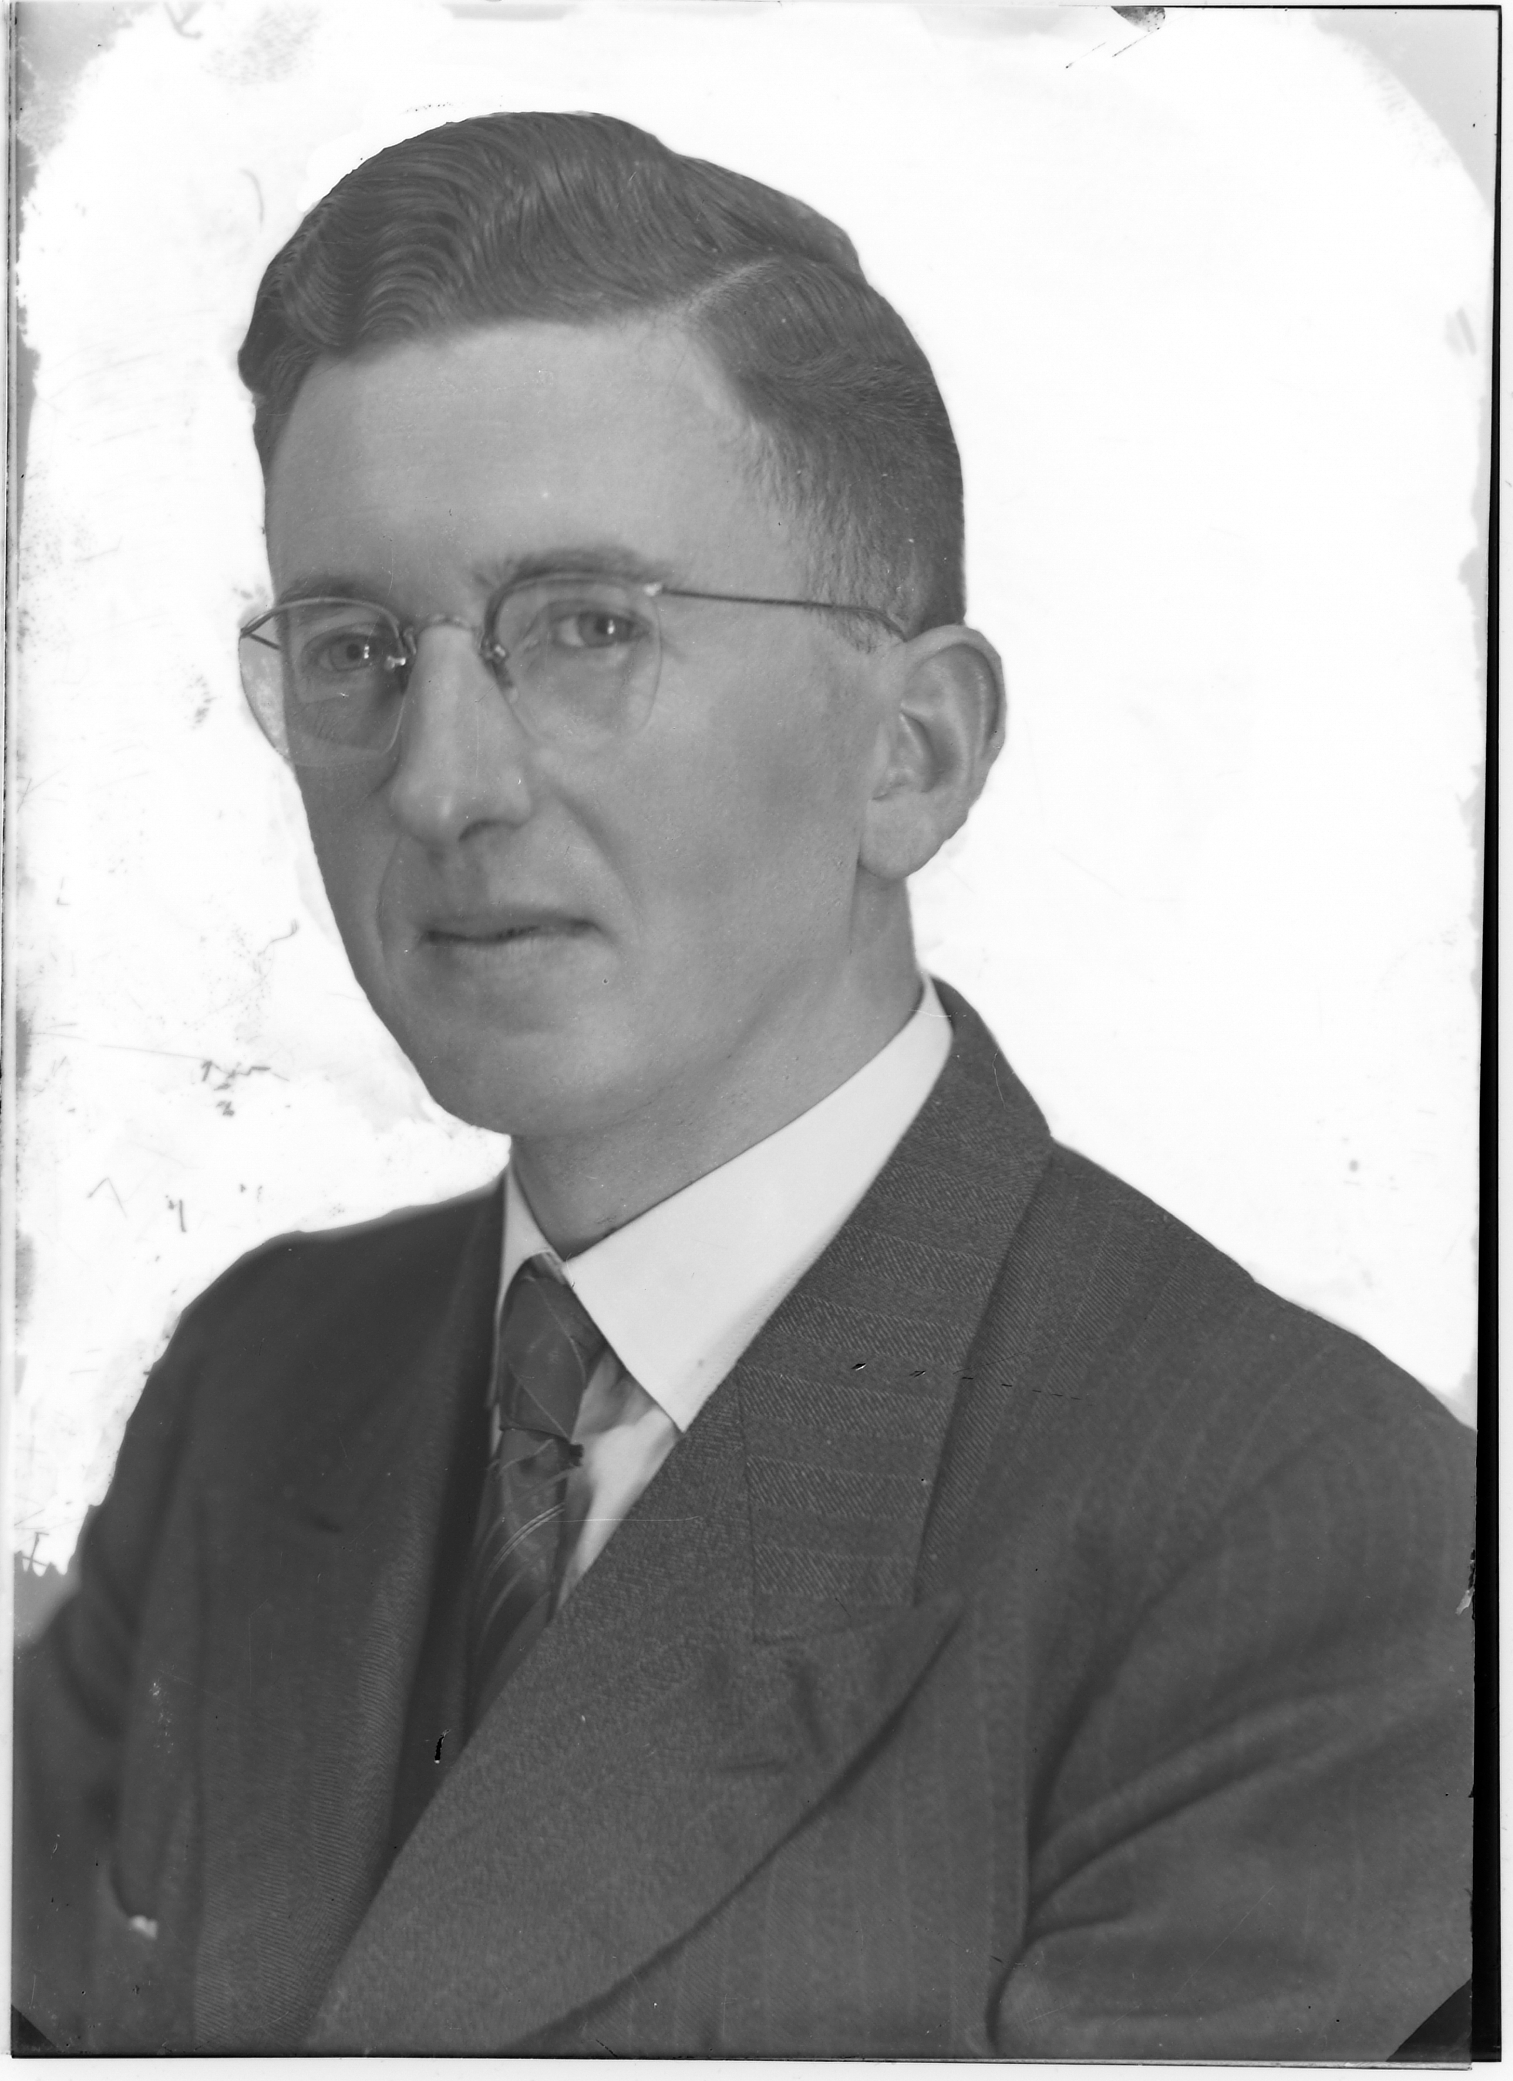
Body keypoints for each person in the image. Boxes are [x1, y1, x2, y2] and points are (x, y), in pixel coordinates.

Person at [12, 110, 1473, 2059]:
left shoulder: (1293, 1526)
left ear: (912, 756)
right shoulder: (258, 1380)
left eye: (586, 630)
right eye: (356, 647)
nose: (439, 784)